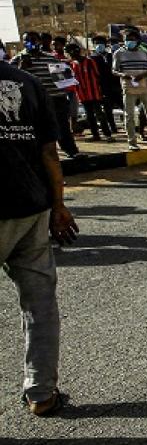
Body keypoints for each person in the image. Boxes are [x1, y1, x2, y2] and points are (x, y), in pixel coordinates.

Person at [0, 57, 79, 416]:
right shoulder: (28, 83)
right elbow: (50, 152)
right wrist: (58, 205)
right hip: (30, 207)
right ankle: (41, 392)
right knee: (39, 304)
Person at [16, 33, 82, 159]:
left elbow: (63, 78)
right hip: (36, 101)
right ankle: (43, 156)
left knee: (62, 126)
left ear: (39, 41)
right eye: (27, 40)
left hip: (57, 98)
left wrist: (68, 76)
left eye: (34, 40)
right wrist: (22, 68)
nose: (31, 43)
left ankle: (71, 151)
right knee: (41, 129)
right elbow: (14, 81)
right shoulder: (18, 59)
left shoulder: (51, 58)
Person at [111, 27, 147, 151]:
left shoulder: (145, 52)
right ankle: (132, 143)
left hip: (145, 86)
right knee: (129, 116)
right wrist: (123, 75)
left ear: (137, 40)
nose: (129, 41)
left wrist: (142, 75)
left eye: (132, 39)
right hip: (128, 87)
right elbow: (114, 70)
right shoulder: (118, 53)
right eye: (127, 39)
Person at [68, 43, 115, 143]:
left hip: (94, 93)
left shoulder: (89, 61)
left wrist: (101, 91)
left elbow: (98, 76)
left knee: (99, 114)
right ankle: (95, 135)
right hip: (82, 94)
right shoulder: (73, 64)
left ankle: (108, 135)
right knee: (89, 116)